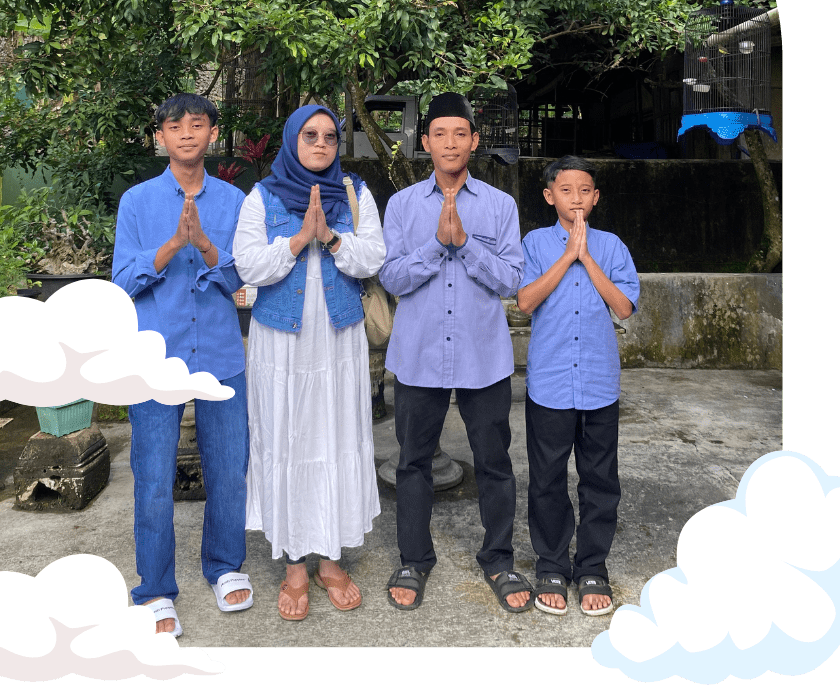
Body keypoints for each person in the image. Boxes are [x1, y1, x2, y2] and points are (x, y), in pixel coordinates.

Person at [379, 92, 530, 613]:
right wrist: (435, 246)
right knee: (413, 462)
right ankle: (414, 559)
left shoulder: (500, 205)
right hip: (418, 355)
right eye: (439, 134)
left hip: (482, 357)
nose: (449, 143)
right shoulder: (402, 206)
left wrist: (465, 244)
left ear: (474, 141)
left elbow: (511, 280)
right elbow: (391, 277)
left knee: (494, 462)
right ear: (425, 142)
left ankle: (499, 558)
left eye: (459, 134)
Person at [233, 105, 385, 621]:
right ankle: (296, 565)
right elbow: (248, 265)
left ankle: (331, 559)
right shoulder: (263, 196)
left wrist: (332, 238)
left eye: (330, 136)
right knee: (288, 438)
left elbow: (374, 256)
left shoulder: (355, 192)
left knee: (335, 438)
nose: (321, 144)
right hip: (282, 345)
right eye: (310, 135)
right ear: (291, 140)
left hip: (338, 340)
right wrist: (300, 238)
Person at [112, 93, 253, 636]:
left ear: (213, 134)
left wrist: (207, 246)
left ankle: (224, 565)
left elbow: (244, 277)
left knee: (228, 469)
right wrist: (173, 244)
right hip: (155, 356)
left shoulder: (235, 200)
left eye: (197, 124)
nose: (187, 133)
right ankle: (154, 589)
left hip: (220, 352)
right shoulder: (137, 202)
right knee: (152, 477)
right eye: (176, 126)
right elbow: (121, 283)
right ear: (161, 138)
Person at [516, 155, 640, 617]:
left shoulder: (611, 246)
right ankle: (551, 564)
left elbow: (624, 308)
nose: (576, 199)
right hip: (550, 381)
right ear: (549, 196)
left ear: (596, 197)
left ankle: (592, 567)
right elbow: (525, 301)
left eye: (584, 190)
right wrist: (567, 254)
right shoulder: (534, 243)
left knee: (600, 479)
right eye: (566, 190)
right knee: (547, 479)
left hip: (598, 381)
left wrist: (586, 257)